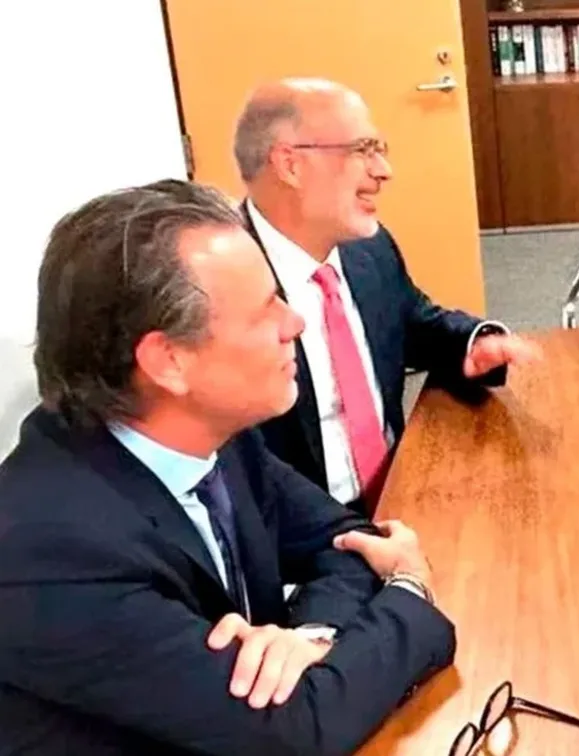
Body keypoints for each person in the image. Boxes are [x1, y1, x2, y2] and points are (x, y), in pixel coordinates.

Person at [0, 180, 455, 754]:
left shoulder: (218, 440)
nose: (296, 324)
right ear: (168, 361)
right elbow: (296, 734)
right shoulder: (49, 550)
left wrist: (311, 637)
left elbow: (349, 541)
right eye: (265, 310)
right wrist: (411, 591)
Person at [234, 78, 537, 514]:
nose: (383, 171)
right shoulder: (223, 289)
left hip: (401, 492)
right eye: (362, 150)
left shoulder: (367, 250)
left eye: (380, 150)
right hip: (302, 539)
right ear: (290, 164)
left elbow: (413, 323)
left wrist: (473, 342)